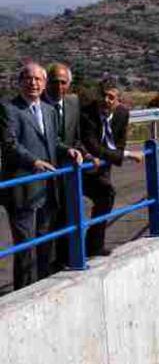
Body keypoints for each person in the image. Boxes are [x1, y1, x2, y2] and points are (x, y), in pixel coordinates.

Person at [1, 62, 83, 290]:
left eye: (38, 79)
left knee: (46, 242)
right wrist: (34, 162)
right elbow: (9, 145)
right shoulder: (8, 109)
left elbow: (53, 141)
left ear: (44, 84)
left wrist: (68, 150)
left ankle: (43, 288)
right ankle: (24, 293)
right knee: (25, 247)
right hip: (21, 189)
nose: (33, 83)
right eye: (28, 78)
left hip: (47, 187)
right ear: (20, 82)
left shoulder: (48, 110)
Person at [80, 78, 143, 257]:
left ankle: (94, 246)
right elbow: (93, 146)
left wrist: (116, 155)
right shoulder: (87, 114)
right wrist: (127, 155)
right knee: (73, 209)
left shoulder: (122, 114)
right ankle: (76, 252)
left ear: (118, 101)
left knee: (106, 197)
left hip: (103, 166)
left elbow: (119, 143)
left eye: (111, 97)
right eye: (103, 96)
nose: (106, 101)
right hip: (82, 165)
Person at [43, 62, 98, 267]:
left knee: (70, 216)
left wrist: (86, 154)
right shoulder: (38, 104)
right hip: (45, 171)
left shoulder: (73, 102)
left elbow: (75, 137)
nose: (59, 87)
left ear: (69, 84)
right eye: (55, 81)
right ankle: (44, 269)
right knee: (47, 225)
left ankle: (66, 260)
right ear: (47, 82)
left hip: (68, 172)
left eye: (63, 82)